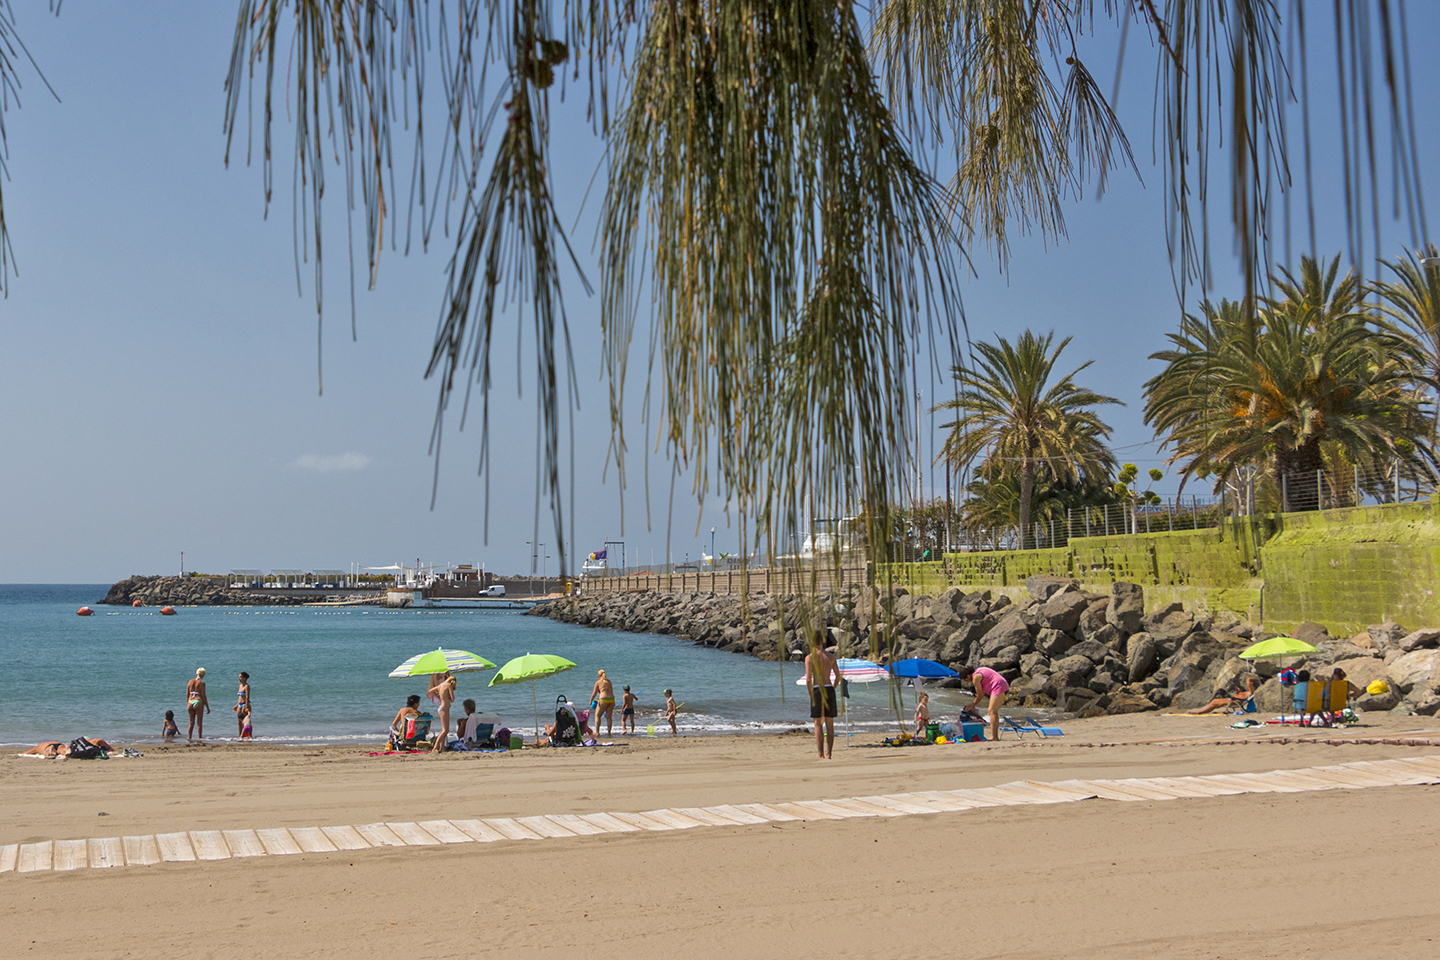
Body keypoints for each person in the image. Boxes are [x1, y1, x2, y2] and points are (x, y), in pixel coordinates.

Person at [803, 632, 839, 759]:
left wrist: (810, 693)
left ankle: (820, 754)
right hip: (829, 689)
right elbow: (838, 677)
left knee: (818, 724)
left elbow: (808, 679)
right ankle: (829, 753)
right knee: (830, 724)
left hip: (817, 689)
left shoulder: (810, 658)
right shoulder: (831, 657)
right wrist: (833, 688)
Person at [956, 665, 1009, 743]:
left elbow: (980, 694)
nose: (967, 681)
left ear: (968, 675)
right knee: (993, 711)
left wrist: (972, 705)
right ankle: (995, 736)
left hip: (998, 686)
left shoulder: (975, 678)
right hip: (1001, 684)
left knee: (991, 711)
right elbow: (982, 691)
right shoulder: (979, 670)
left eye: (966, 679)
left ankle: (993, 737)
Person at [1188, 676, 1260, 714]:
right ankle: (1202, 711)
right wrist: (1238, 692)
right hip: (1233, 700)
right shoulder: (1245, 692)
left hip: (1235, 701)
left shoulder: (1251, 691)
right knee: (1215, 702)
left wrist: (1257, 679)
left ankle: (1200, 712)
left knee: (1215, 702)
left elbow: (1248, 680)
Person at [428, 673, 457, 753]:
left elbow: (430, 691)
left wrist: (439, 698)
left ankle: (442, 748)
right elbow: (452, 699)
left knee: (444, 730)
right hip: (444, 709)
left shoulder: (440, 685)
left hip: (441, 708)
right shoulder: (448, 685)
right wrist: (447, 697)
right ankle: (435, 747)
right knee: (445, 730)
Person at [22, 738, 115, 758]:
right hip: (61, 748)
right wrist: (111, 749)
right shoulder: (91, 744)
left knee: (34, 750)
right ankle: (50, 750)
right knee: (61, 750)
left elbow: (99, 740)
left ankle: (49, 750)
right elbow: (100, 740)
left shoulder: (86, 743)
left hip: (48, 745)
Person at [186, 668, 209, 741]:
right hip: (198, 701)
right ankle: (199, 737)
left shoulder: (190, 682)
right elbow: (203, 696)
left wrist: (188, 703)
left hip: (190, 701)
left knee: (191, 722)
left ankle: (189, 737)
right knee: (199, 722)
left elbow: (187, 694)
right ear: (203, 675)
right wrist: (207, 707)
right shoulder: (202, 683)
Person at [591, 669, 616, 736]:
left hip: (603, 700)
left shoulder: (598, 682)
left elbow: (594, 694)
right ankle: (609, 732)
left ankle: (597, 732)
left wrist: (591, 701)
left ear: (599, 676)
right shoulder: (609, 682)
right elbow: (611, 692)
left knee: (597, 716)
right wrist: (614, 701)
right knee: (609, 717)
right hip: (611, 700)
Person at [234, 672, 251, 737]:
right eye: (239, 677)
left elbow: (247, 697)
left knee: (245, 723)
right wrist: (236, 705)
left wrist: (246, 707)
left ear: (245, 678)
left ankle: (246, 736)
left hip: (245, 705)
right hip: (239, 705)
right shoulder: (240, 686)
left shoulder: (247, 686)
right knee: (239, 723)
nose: (239, 679)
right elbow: (239, 697)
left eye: (241, 677)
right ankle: (240, 736)